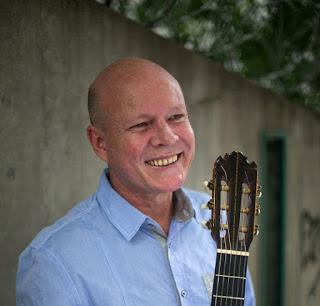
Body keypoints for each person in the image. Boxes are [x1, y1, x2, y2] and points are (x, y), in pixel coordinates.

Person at [16, 58, 255, 305]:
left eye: (176, 117)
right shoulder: (53, 262)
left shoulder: (220, 219)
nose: (167, 137)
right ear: (100, 143)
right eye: (141, 124)